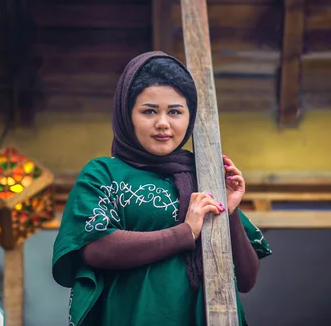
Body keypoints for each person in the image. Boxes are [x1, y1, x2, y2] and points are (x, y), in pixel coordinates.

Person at [52, 51, 272, 326]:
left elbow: (247, 279)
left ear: (189, 118)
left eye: (175, 111)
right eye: (149, 111)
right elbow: (95, 248)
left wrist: (228, 211)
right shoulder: (104, 173)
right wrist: (185, 232)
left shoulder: (205, 176)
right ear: (126, 115)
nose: (163, 123)